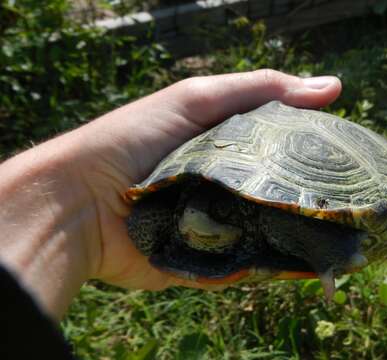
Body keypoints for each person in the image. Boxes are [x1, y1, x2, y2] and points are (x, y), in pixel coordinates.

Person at [0, 70, 341, 358]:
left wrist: (321, 246)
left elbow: (275, 213)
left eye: (219, 211)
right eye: (186, 211)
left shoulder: (265, 218)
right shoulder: (159, 217)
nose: (194, 218)